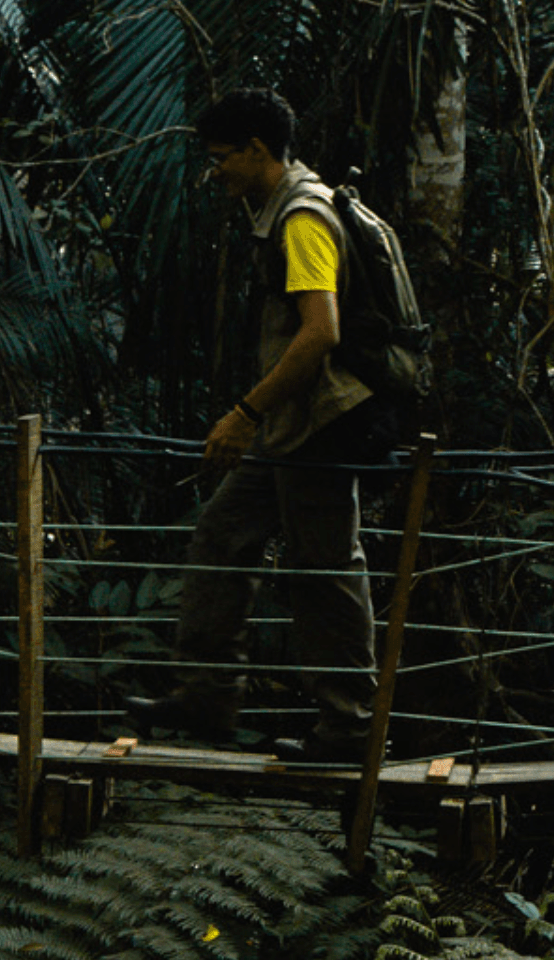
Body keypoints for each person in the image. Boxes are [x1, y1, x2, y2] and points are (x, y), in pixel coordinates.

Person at [128, 88, 393, 762]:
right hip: (290, 426)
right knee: (223, 531)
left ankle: (349, 731)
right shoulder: (293, 205)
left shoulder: (302, 218)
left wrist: (245, 414)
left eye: (221, 158)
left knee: (326, 572)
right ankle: (207, 695)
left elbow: (319, 333)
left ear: (255, 149)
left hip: (318, 424)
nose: (214, 172)